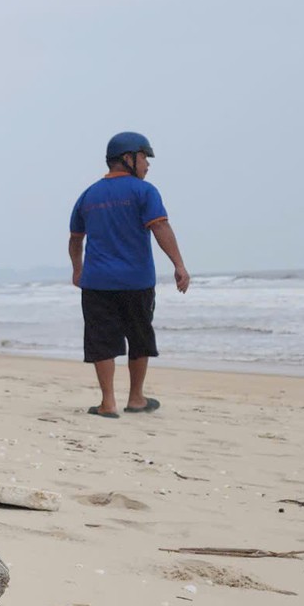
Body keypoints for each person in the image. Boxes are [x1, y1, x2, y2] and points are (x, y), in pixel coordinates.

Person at [67, 131, 190, 417]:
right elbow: (160, 228)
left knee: (102, 341)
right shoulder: (144, 191)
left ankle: (107, 403)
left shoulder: (88, 195)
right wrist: (179, 265)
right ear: (128, 158)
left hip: (96, 282)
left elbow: (75, 239)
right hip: (137, 280)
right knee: (139, 337)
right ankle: (136, 399)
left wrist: (77, 270)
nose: (147, 164)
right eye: (144, 157)